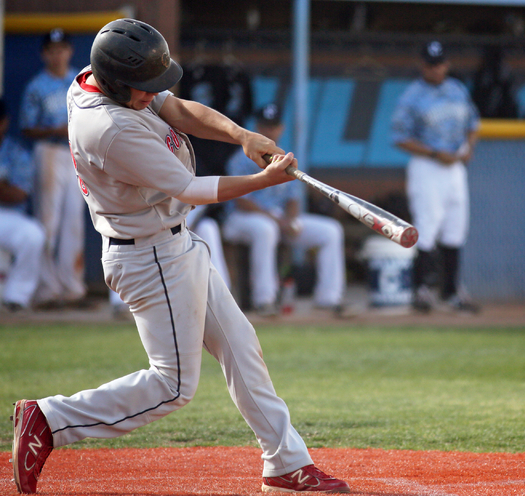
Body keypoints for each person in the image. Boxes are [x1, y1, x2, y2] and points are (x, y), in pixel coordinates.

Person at [11, 19, 349, 495]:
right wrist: (262, 182)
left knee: (240, 345)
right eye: (143, 88)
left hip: (172, 241)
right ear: (112, 82)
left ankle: (285, 462)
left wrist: (242, 135)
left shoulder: (101, 76)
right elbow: (191, 188)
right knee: (173, 387)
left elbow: (177, 108)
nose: (152, 95)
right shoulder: (107, 127)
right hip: (147, 257)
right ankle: (49, 419)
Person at [222, 103, 354, 318]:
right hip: (241, 219)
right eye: (265, 126)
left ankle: (330, 298)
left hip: (277, 218)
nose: (269, 131)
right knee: (266, 229)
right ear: (256, 127)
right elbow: (241, 201)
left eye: (273, 127)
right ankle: (264, 301)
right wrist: (278, 221)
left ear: (281, 128)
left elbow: (293, 199)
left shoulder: (285, 158)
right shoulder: (241, 157)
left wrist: (291, 221)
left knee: (331, 230)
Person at [391, 40, 481, 314]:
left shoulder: (457, 89)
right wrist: (433, 153)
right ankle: (423, 290)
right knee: (427, 227)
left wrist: (468, 148)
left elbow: (473, 124)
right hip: (427, 166)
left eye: (440, 63)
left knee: (456, 227)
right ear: (423, 66)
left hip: (454, 168)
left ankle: (452, 291)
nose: (436, 69)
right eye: (431, 64)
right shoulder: (412, 96)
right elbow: (399, 137)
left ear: (447, 63)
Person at [19, 28, 88, 308]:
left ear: (69, 51)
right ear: (44, 54)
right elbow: (26, 128)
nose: (57, 54)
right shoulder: (37, 85)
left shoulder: (80, 82)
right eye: (52, 50)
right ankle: (46, 290)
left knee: (75, 220)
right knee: (48, 221)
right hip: (49, 151)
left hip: (76, 152)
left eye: (61, 49)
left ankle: (72, 288)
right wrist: (55, 129)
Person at [0, 99, 46, 312]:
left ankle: (16, 297)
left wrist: (7, 189)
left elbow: (19, 193)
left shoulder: (15, 151)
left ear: (4, 123)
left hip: (7, 216)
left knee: (33, 234)